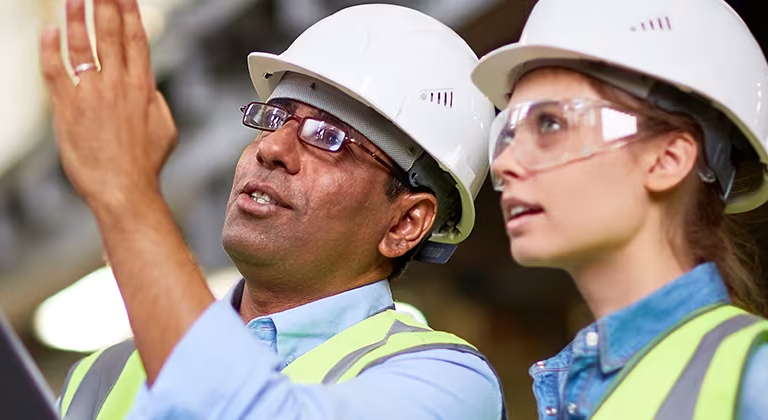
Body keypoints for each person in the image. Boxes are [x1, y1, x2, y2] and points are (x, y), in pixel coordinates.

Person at [40, 0, 505, 418]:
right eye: (275, 118)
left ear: (406, 222)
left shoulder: (446, 385)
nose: (273, 148)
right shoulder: (100, 377)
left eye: (328, 137)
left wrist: (127, 195)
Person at [470, 0, 768, 418]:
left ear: (667, 159)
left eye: (551, 124)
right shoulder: (574, 386)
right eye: (509, 132)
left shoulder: (754, 379)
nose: (505, 162)